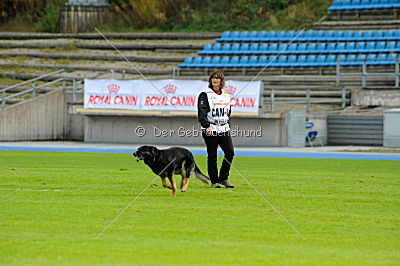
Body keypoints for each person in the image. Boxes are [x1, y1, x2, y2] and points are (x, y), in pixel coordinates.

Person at [197, 70, 235, 188]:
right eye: (213, 77)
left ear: (222, 81)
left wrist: (226, 124)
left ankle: (224, 178)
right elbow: (202, 113)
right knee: (212, 155)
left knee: (230, 152)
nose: (215, 80)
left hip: (223, 128)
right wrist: (207, 126)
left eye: (218, 78)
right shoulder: (205, 94)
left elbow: (227, 113)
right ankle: (214, 181)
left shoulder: (226, 95)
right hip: (210, 128)